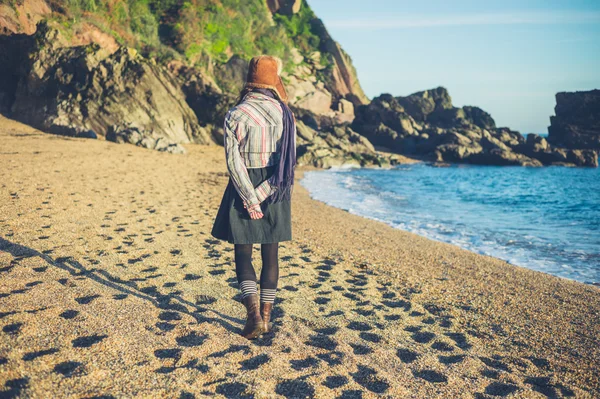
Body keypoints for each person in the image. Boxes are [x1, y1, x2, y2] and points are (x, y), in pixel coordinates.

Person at [210, 55, 297, 339]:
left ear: (249, 80)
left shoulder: (235, 114)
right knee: (271, 256)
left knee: (243, 254)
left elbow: (233, 163)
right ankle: (267, 318)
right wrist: (263, 192)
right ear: (273, 82)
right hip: (276, 187)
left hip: (242, 185)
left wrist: (249, 197)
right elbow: (287, 163)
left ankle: (253, 317)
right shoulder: (285, 114)